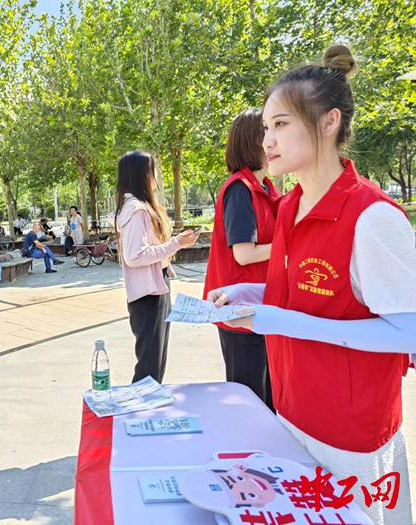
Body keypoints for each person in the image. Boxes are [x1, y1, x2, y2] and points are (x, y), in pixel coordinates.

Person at [208, 46, 415, 525]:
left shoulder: (373, 216)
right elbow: (307, 296)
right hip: (291, 412)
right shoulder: (288, 207)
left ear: (328, 122)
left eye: (280, 124)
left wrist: (281, 321)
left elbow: (407, 332)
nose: (267, 140)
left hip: (351, 433)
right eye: (266, 127)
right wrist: (251, 296)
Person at [202, 109, 280, 411]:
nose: (275, 139)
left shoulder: (266, 188)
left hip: (262, 305)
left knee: (269, 399)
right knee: (249, 401)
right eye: (268, 130)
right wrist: (289, 247)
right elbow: (244, 254)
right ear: (254, 140)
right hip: (238, 310)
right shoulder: (240, 189)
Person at [114, 151, 198, 383]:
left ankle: (146, 402)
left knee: (154, 361)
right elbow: (135, 255)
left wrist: (165, 261)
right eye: (152, 171)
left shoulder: (134, 206)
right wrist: (175, 244)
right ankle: (141, 404)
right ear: (141, 174)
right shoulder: (137, 209)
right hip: (148, 295)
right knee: (150, 365)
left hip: (152, 289)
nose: (155, 177)